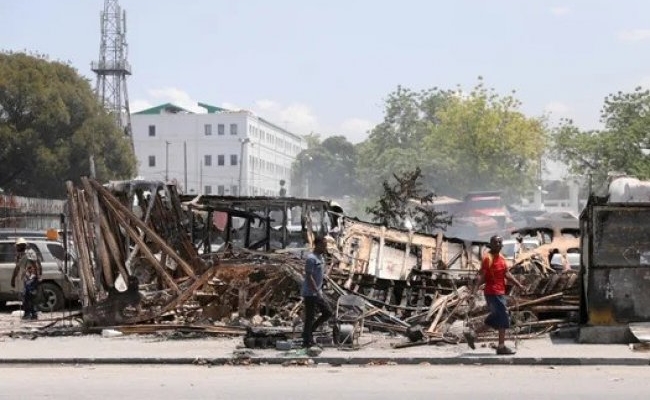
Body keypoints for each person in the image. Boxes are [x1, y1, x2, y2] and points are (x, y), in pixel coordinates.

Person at [465, 235, 526, 355]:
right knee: (503, 317)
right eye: (496, 242)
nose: (498, 244)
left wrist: (519, 285)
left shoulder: (501, 258)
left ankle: (473, 334)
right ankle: (501, 347)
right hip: (492, 293)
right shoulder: (488, 258)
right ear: (491, 244)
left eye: (500, 242)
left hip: (500, 293)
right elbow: (481, 275)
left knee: (497, 318)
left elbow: (507, 274)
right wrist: (474, 290)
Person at [301, 235, 332, 348]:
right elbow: (309, 276)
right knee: (310, 316)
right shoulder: (311, 258)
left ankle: (308, 333)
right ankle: (306, 340)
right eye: (323, 245)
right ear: (318, 245)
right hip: (310, 292)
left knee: (327, 312)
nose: (325, 247)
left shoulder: (321, 258)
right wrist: (316, 290)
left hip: (318, 291)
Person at [10, 238, 42, 319]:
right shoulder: (30, 252)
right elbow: (38, 263)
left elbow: (17, 268)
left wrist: (13, 279)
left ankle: (30, 314)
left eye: (17, 246)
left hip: (31, 278)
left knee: (28, 297)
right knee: (29, 296)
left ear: (21, 246)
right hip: (30, 278)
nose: (16, 248)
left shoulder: (25, 255)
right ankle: (32, 314)